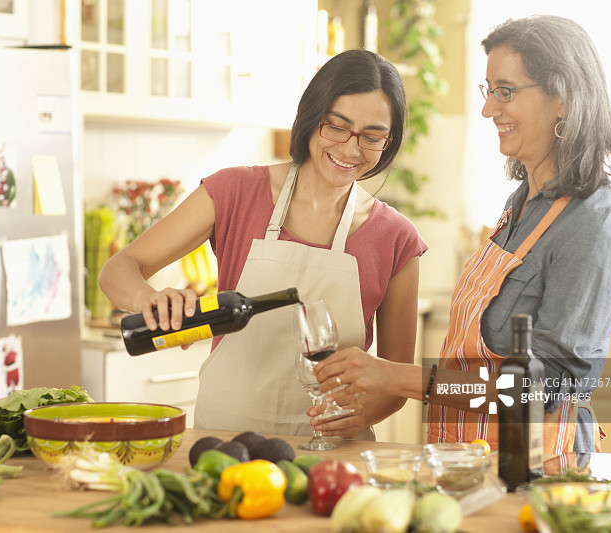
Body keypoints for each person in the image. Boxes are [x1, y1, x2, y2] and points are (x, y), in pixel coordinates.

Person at [312, 15, 611, 454]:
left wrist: (396, 377)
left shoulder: (594, 222)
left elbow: (541, 391)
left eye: (506, 91)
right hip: (468, 459)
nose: (488, 109)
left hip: (536, 469)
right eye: (489, 91)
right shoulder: (521, 203)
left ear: (563, 98)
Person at [99, 49, 428, 439]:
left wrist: (360, 415)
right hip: (225, 441)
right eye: (337, 127)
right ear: (312, 117)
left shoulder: (396, 237)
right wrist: (147, 299)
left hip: (332, 449)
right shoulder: (235, 191)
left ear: (389, 141)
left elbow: (396, 379)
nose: (350, 149)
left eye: (371, 137)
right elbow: (118, 269)